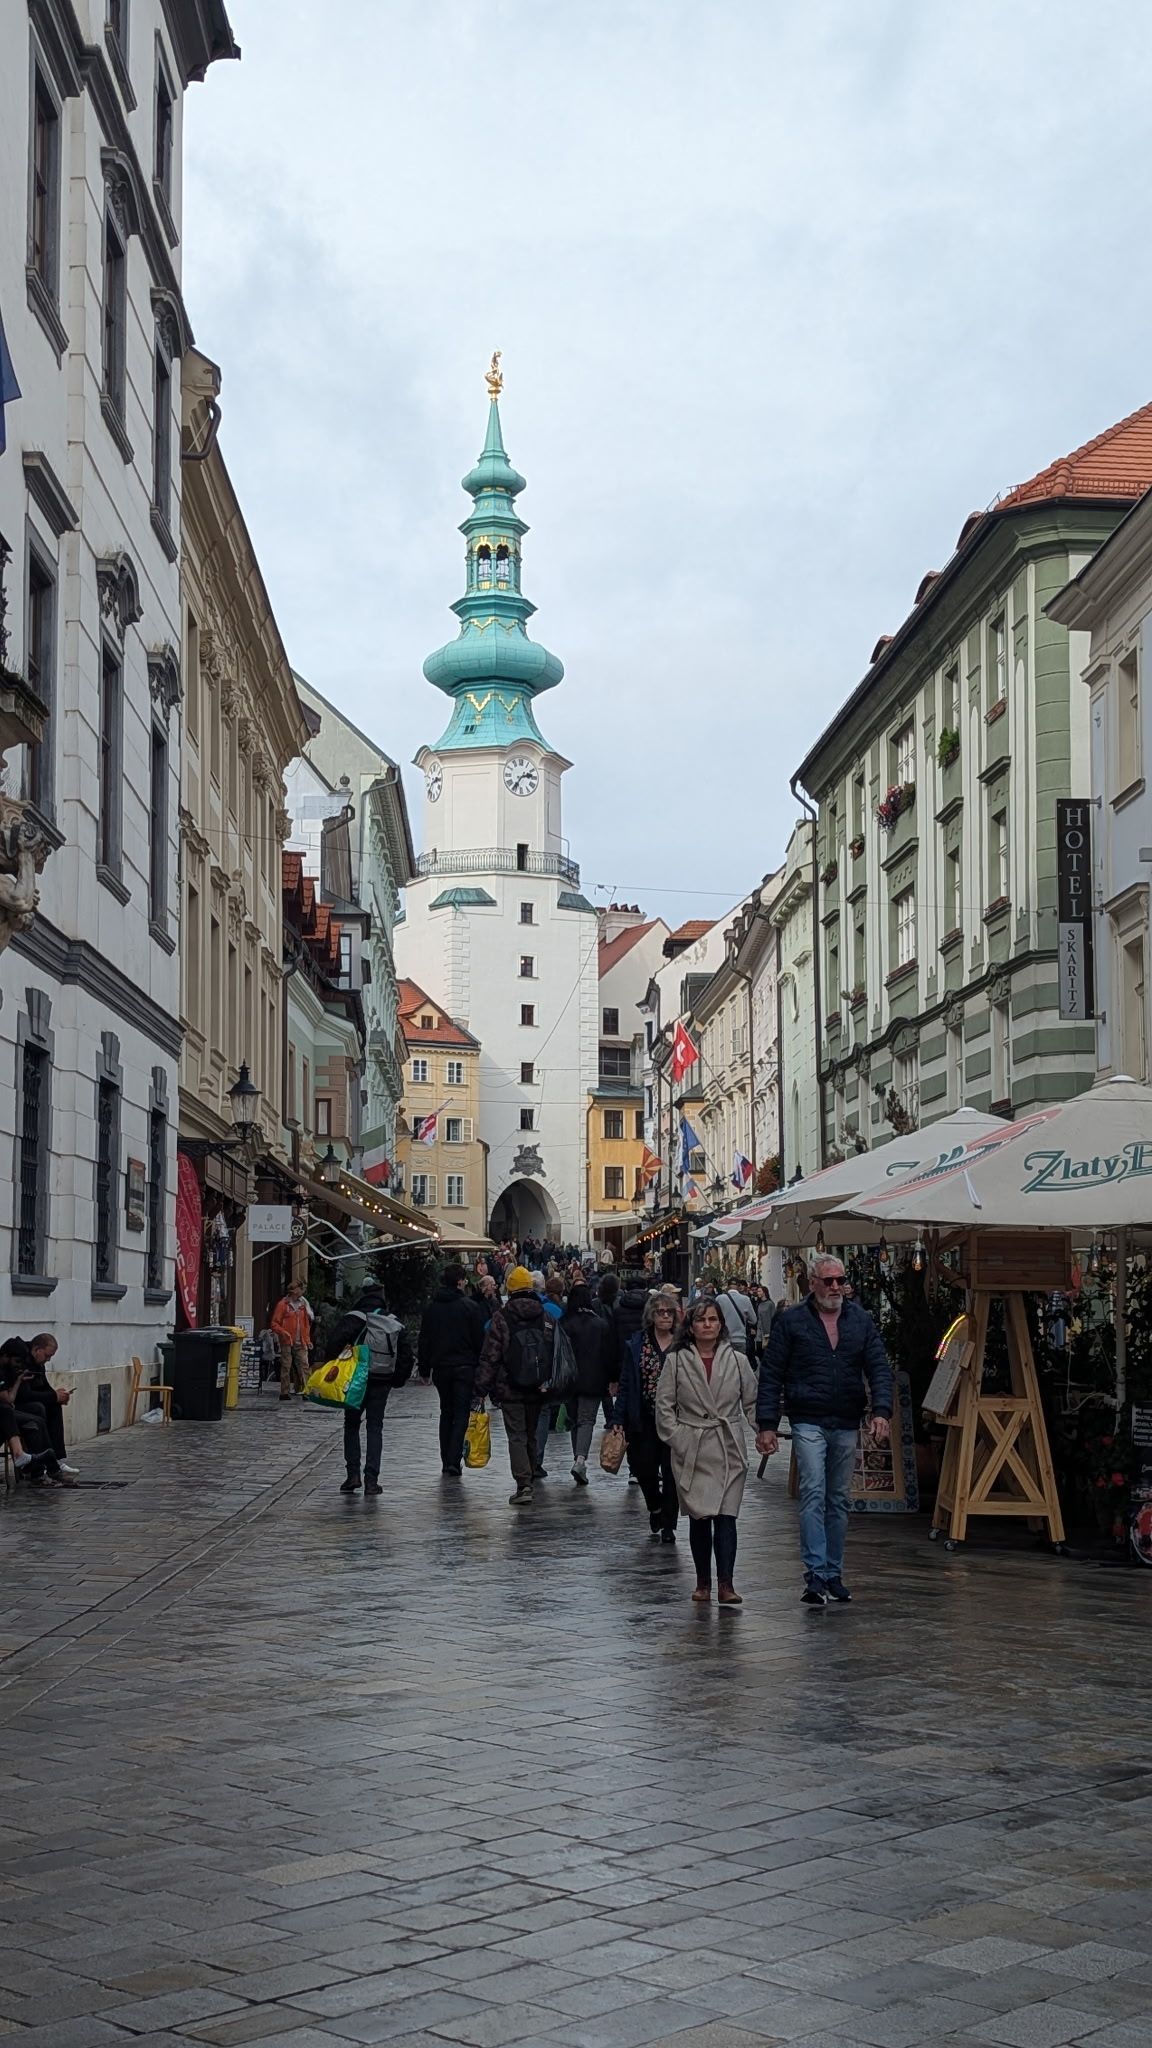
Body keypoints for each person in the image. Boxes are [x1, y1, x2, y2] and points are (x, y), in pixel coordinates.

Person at [756, 1253, 893, 1607]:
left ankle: (834, 1572)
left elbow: (878, 1365)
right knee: (814, 1490)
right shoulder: (793, 1321)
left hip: (846, 1419)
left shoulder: (859, 1320)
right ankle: (815, 1572)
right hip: (808, 1418)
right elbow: (772, 1373)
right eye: (828, 1281)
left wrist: (881, 1411)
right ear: (812, 1283)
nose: (836, 1287)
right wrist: (767, 1425)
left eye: (840, 1280)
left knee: (838, 1499)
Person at [655, 1297, 757, 1605]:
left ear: (721, 1324)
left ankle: (726, 1583)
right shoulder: (676, 1360)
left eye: (713, 1319)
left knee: (727, 1515)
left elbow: (752, 1400)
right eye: (701, 1320)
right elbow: (664, 1405)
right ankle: (703, 1582)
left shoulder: (737, 1361)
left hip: (727, 1447)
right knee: (700, 1516)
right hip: (694, 1447)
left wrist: (763, 1431)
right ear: (691, 1325)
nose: (707, 1325)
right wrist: (680, 1438)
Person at [475, 1265, 555, 1507]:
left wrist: (481, 1388)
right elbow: (554, 1351)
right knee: (531, 1433)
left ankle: (524, 1484)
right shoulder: (545, 1316)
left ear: (509, 1288)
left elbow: (491, 1356)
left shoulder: (502, 1317)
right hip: (538, 1386)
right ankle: (531, 1472)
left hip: (509, 1386)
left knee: (517, 1435)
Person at [329, 1284, 413, 1497]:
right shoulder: (391, 1321)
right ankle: (372, 1480)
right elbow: (406, 1354)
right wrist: (397, 1380)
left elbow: (333, 1344)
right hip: (381, 1381)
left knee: (351, 1424)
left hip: (356, 1379)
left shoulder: (352, 1318)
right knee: (375, 1427)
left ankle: (352, 1475)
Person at [617, 1292, 682, 1541]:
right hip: (643, 1418)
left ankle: (668, 1524)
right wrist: (618, 1419)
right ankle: (655, 1506)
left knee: (671, 1471)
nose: (665, 1316)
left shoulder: (682, 1344)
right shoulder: (637, 1344)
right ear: (651, 1316)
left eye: (669, 1312)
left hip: (676, 1420)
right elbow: (626, 1383)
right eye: (660, 1312)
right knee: (644, 1469)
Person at [418, 1264, 486, 1475]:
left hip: (441, 1367)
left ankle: (446, 1457)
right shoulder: (469, 1307)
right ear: (459, 1281)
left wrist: (424, 1368)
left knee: (445, 1412)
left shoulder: (432, 1308)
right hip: (465, 1367)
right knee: (460, 1413)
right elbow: (479, 1341)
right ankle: (453, 1460)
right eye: (464, 1280)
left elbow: (425, 1339)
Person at [0, 1334, 76, 1472]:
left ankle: (53, 1459)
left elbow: (42, 1387)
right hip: (14, 1406)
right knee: (36, 1411)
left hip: (10, 1407)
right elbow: (17, 1397)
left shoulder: (35, 1364)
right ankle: (39, 1462)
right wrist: (53, 1396)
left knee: (49, 1408)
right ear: (36, 1349)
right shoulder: (20, 1359)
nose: (48, 1360)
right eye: (47, 1356)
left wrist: (56, 1396)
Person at [561, 1284, 610, 1485]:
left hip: (569, 1380)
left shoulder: (565, 1324)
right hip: (593, 1379)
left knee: (575, 1420)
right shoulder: (600, 1324)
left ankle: (577, 1458)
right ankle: (580, 1460)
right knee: (587, 1420)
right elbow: (609, 1355)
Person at [270, 1281, 314, 1400]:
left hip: (301, 1340)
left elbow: (306, 1324)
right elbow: (274, 1323)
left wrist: (307, 1339)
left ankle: (307, 1391)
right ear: (295, 1291)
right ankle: (284, 1392)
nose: (303, 1292)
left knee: (304, 1365)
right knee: (286, 1365)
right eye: (301, 1289)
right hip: (286, 1340)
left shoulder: (302, 1304)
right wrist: (283, 1332)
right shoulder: (283, 1305)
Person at [714, 1279, 758, 1360]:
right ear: (738, 1286)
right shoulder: (746, 1299)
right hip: (740, 1339)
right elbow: (754, 1320)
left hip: (724, 1339)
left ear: (728, 1286)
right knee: (739, 1367)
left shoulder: (719, 1299)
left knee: (725, 1366)